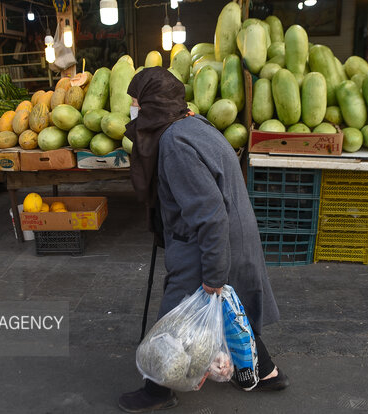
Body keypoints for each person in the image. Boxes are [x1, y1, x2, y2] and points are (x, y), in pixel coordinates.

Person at [118, 67, 288, 413]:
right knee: (228, 307)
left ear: (153, 105)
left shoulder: (175, 143)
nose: (133, 111)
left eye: (136, 104)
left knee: (178, 318)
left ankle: (156, 390)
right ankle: (268, 373)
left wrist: (213, 275)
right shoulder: (192, 124)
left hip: (207, 243)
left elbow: (208, 214)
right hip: (229, 236)